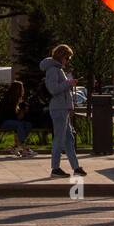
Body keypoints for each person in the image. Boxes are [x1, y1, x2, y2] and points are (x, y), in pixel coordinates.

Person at [39, 45, 86, 178]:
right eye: (67, 57)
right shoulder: (53, 70)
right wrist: (69, 83)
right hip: (58, 108)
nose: (68, 60)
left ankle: (76, 167)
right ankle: (55, 168)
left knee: (69, 139)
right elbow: (53, 89)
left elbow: (62, 91)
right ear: (61, 56)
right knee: (59, 139)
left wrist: (70, 105)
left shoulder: (58, 69)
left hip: (62, 108)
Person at [0, 82, 36, 158]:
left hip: (13, 121)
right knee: (19, 125)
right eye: (20, 89)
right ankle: (24, 148)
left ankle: (16, 147)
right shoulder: (8, 99)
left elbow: (18, 117)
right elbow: (11, 116)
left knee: (28, 124)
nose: (22, 91)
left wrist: (24, 111)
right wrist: (21, 113)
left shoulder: (18, 100)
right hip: (2, 122)